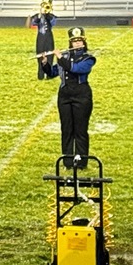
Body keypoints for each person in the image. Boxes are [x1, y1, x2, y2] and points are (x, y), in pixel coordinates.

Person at [41, 27, 96, 169]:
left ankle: (81, 162)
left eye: (79, 41)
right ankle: (68, 161)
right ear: (70, 43)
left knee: (80, 130)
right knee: (66, 129)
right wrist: (45, 63)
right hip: (64, 96)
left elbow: (76, 69)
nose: (77, 44)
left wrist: (59, 58)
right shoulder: (64, 56)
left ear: (84, 42)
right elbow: (53, 72)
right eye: (74, 41)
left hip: (81, 95)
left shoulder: (88, 58)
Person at [29, 0, 57, 80]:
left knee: (50, 56)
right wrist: (40, 15)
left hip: (49, 37)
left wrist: (47, 14)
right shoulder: (37, 16)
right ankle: (40, 75)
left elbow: (53, 22)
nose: (46, 7)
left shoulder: (51, 16)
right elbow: (33, 23)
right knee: (40, 55)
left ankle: (49, 75)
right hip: (40, 37)